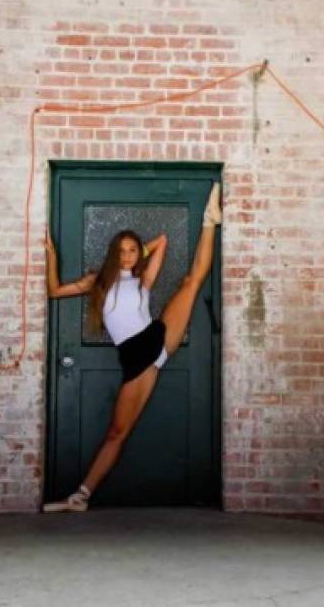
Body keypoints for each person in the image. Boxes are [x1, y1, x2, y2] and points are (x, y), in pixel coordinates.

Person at [42, 182, 223, 512]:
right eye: (122, 250)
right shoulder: (96, 282)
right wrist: (52, 256)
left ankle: (211, 220)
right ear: (113, 253)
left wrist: (140, 254)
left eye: (132, 250)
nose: (127, 255)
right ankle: (80, 497)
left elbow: (163, 242)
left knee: (191, 282)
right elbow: (54, 291)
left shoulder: (142, 281)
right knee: (117, 432)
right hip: (136, 360)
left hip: (155, 337)